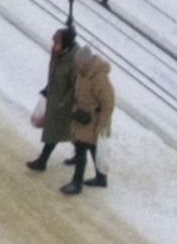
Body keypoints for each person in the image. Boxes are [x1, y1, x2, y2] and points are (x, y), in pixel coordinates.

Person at [63, 47, 114, 195]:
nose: (76, 66)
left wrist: (103, 122)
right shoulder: (83, 73)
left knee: (81, 151)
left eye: (78, 63)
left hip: (94, 122)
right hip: (83, 118)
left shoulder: (99, 78)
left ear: (86, 63)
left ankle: (76, 184)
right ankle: (101, 178)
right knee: (93, 149)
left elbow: (108, 102)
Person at [26, 26, 77, 172]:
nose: (54, 46)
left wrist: (66, 104)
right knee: (70, 131)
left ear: (66, 44)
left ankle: (42, 161)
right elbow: (55, 75)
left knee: (55, 131)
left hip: (66, 103)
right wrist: (48, 89)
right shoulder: (59, 55)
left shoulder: (73, 62)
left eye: (57, 43)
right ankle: (80, 153)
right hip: (57, 97)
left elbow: (76, 87)